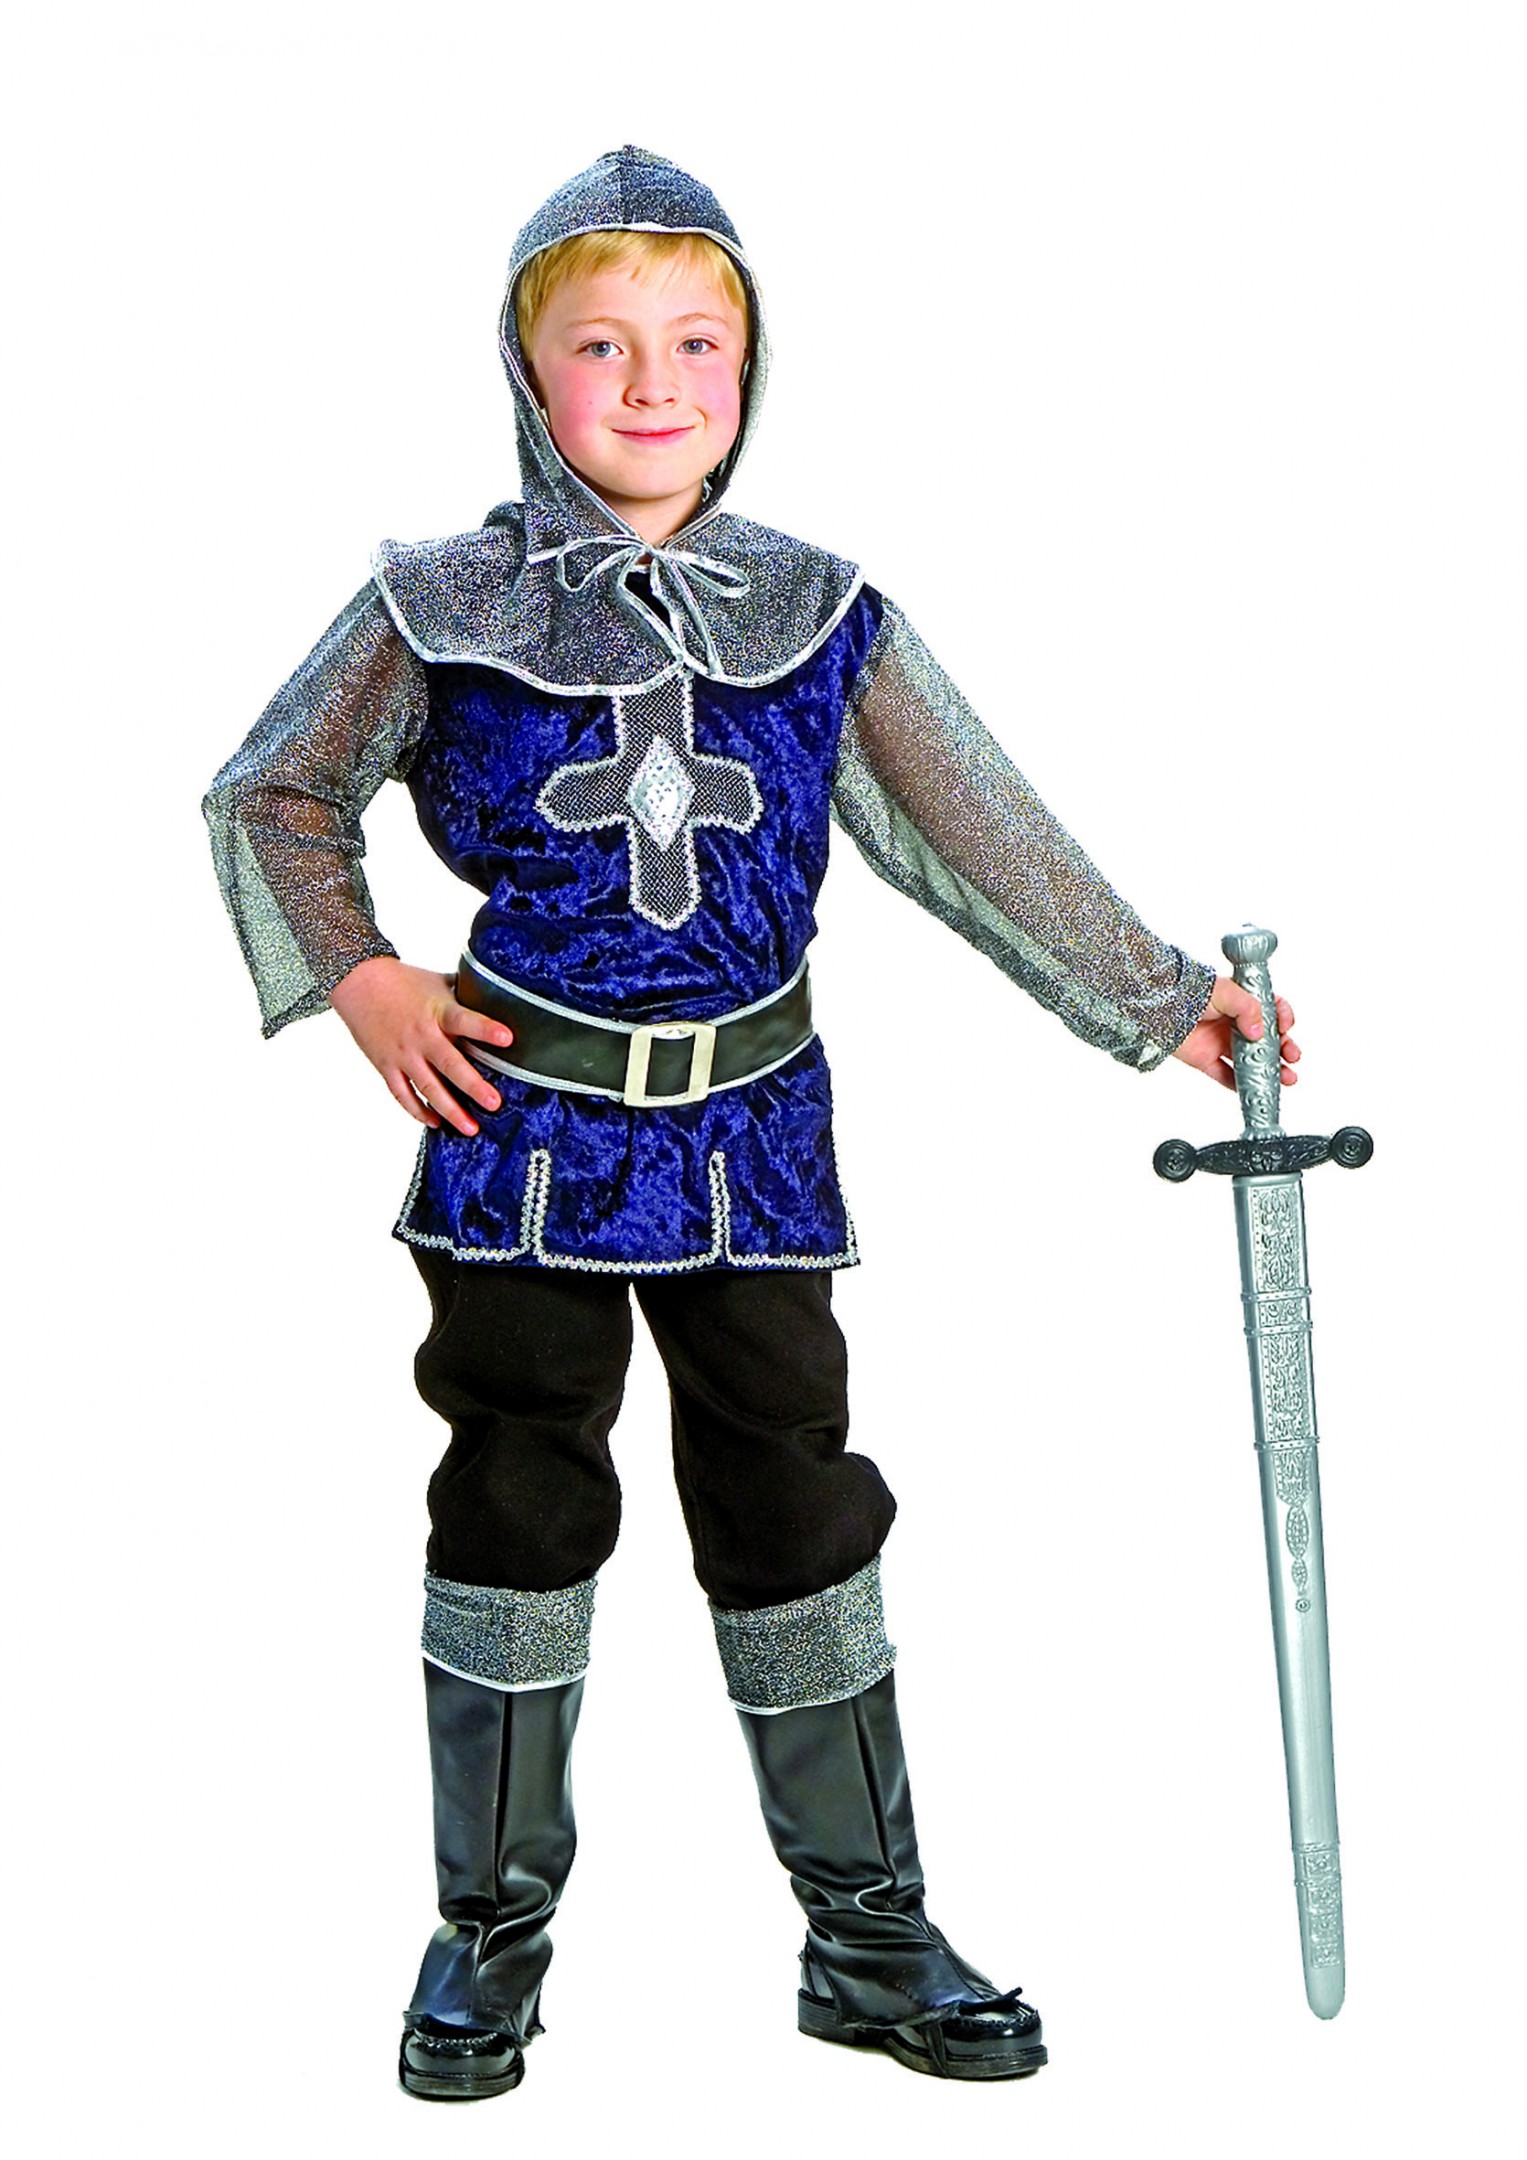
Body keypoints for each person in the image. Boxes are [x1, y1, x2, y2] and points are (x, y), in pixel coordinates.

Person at [204, 144, 1297, 2100]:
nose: (651, 384)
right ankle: (486, 1937)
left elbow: (982, 832)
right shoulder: (438, 606)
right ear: (526, 375)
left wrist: (1160, 1001)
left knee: (791, 1498)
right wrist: (360, 978)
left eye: (695, 342)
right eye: (600, 345)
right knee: (517, 1493)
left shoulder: (821, 614)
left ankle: (865, 1937)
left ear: (749, 363)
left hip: (748, 1138)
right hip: (521, 1131)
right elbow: (271, 794)